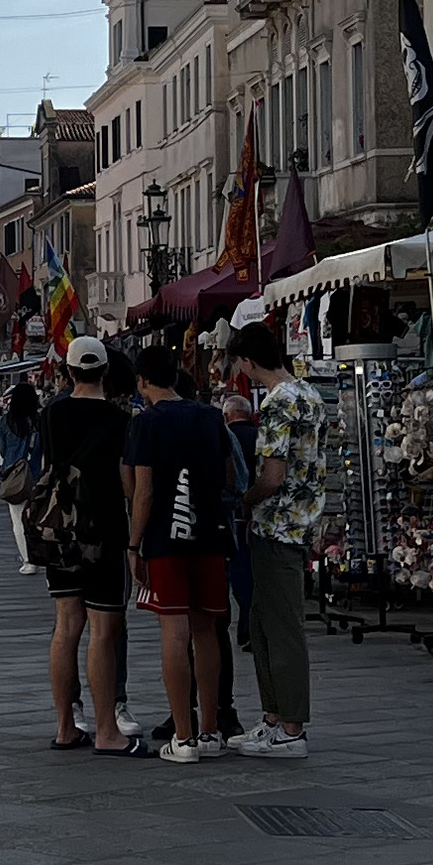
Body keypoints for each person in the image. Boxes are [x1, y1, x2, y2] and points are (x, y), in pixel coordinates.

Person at [126, 344, 242, 762]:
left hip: (167, 536)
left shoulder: (146, 424)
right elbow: (229, 475)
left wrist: (133, 543)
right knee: (207, 629)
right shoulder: (212, 417)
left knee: (174, 633)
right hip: (210, 534)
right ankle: (210, 730)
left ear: (142, 381)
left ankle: (184, 735)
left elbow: (145, 490)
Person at [33, 338, 135, 746]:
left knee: (66, 626)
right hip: (106, 527)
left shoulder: (51, 413)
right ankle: (107, 729)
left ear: (70, 372)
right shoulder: (120, 418)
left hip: (60, 528)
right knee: (103, 630)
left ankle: (64, 726)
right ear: (105, 372)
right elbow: (127, 479)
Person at [230, 322, 323, 757]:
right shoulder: (308, 394)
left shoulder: (277, 403)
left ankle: (290, 726)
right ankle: (273, 717)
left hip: (277, 523)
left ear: (249, 361)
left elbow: (273, 474)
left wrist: (245, 500)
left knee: (281, 626)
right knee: (266, 622)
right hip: (300, 520)